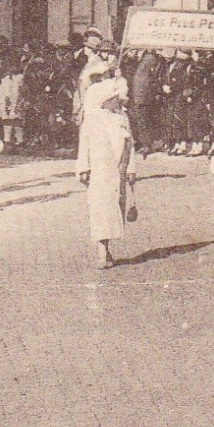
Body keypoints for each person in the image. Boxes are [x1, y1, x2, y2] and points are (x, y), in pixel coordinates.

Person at [75, 56, 137, 269]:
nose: (118, 103)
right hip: (100, 172)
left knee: (116, 210)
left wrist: (132, 168)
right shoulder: (93, 120)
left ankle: (106, 248)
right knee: (101, 209)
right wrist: (83, 167)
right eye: (115, 99)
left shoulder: (122, 118)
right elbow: (84, 144)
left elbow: (130, 144)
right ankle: (102, 251)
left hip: (118, 172)